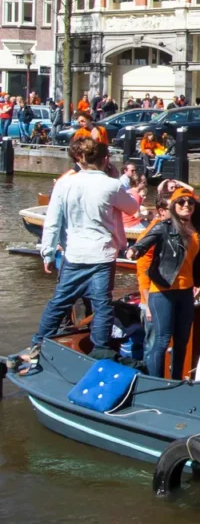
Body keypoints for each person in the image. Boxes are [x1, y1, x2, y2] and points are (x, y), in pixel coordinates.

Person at [25, 139, 138, 363]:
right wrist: (116, 179)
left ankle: (38, 342)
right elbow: (132, 207)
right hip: (102, 254)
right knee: (102, 304)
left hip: (74, 253)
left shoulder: (65, 184)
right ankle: (100, 349)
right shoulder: (111, 185)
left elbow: (53, 221)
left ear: (79, 159)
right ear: (106, 159)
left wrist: (47, 253)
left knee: (60, 301)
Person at [127, 188, 200, 379]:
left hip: (186, 291)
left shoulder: (198, 230)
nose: (186, 205)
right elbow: (145, 242)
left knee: (182, 341)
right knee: (161, 341)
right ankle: (155, 383)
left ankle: (176, 381)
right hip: (163, 290)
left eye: (190, 202)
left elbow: (195, 259)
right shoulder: (164, 226)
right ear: (173, 206)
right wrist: (134, 251)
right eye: (181, 202)